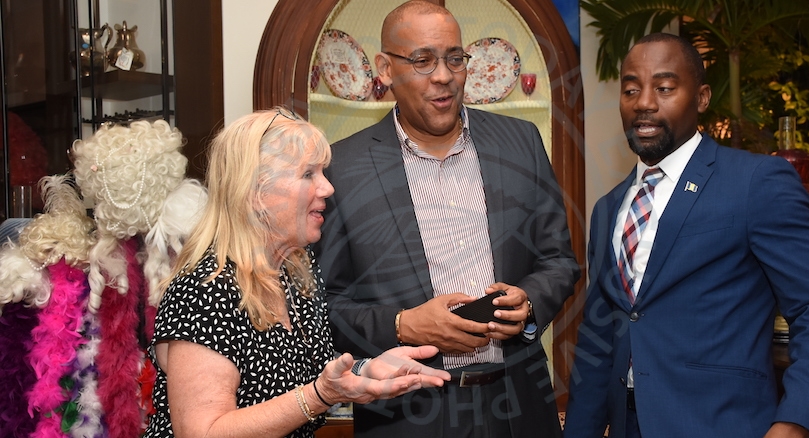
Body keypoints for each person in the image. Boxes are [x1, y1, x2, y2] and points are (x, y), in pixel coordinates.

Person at [564, 33, 809, 438]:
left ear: (700, 98)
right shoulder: (608, 208)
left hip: (723, 423)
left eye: (664, 87)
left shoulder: (756, 182)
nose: (644, 102)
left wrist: (798, 422)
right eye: (631, 89)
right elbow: (599, 340)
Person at [315, 1, 580, 437]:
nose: (443, 76)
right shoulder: (342, 167)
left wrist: (529, 302)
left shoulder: (521, 144)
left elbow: (559, 261)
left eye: (454, 58)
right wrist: (404, 325)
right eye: (422, 60)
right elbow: (326, 303)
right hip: (404, 413)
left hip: (518, 406)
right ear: (384, 68)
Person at [143, 107, 451, 438]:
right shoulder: (204, 290)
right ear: (256, 191)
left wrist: (367, 369)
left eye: (322, 172)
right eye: (308, 175)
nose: (327, 188)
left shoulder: (297, 271)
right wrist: (320, 397)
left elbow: (307, 371)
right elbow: (203, 431)